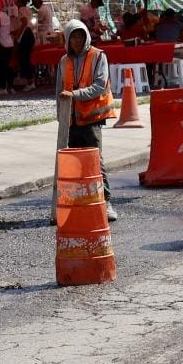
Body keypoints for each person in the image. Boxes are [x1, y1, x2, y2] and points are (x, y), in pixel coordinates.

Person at [56, 19, 119, 221]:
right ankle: (78, 204)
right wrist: (61, 118)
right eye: (73, 36)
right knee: (74, 164)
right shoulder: (64, 61)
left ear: (86, 36)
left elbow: (100, 86)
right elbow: (59, 92)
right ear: (67, 39)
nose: (77, 40)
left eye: (80, 36)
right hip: (71, 120)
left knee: (95, 162)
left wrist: (75, 94)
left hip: (92, 119)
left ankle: (106, 201)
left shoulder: (98, 56)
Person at [12, 0, 36, 90]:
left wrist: (18, 35)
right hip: (29, 34)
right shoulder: (29, 10)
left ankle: (30, 82)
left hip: (25, 35)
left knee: (24, 59)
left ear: (19, 2)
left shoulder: (21, 10)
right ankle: (30, 81)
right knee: (26, 58)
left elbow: (25, 23)